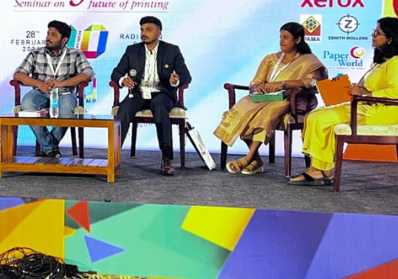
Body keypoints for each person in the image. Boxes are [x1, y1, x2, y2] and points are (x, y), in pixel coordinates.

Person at [290, 17, 398, 185]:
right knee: (314, 115)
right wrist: (355, 88)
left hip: (383, 112)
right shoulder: (381, 61)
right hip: (366, 106)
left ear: (390, 38)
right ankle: (323, 170)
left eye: (377, 33)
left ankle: (317, 170)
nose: (372, 35)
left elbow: (395, 92)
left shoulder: (396, 62)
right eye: (373, 31)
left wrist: (365, 94)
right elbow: (369, 87)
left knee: (322, 119)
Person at [214, 22, 326, 175]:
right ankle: (257, 161)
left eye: (286, 37)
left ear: (298, 40)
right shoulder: (271, 59)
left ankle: (248, 158)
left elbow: (312, 82)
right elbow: (256, 81)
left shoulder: (308, 60)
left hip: (287, 100)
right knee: (240, 111)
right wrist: (257, 87)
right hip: (263, 98)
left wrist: (283, 84)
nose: (281, 41)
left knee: (266, 114)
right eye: (280, 37)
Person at [111, 16, 191, 175]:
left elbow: (186, 76)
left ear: (159, 32)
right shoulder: (132, 50)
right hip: (138, 93)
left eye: (149, 30)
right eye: (142, 30)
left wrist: (176, 80)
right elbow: (116, 73)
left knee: (161, 108)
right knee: (124, 109)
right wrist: (122, 80)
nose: (144, 33)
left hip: (162, 93)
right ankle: (114, 155)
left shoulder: (172, 50)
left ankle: (167, 158)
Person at [14, 21, 94, 158]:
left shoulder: (75, 54)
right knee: (27, 104)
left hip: (64, 93)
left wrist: (61, 83)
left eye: (53, 35)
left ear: (64, 40)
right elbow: (18, 74)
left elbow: (88, 73)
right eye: (48, 34)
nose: (48, 37)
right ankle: (50, 147)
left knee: (67, 108)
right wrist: (40, 84)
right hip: (40, 92)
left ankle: (48, 147)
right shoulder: (35, 53)